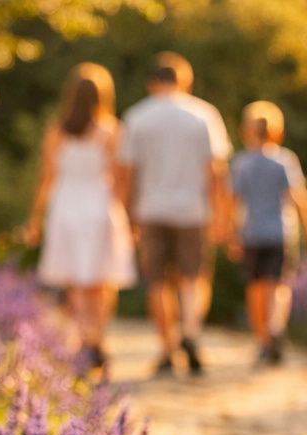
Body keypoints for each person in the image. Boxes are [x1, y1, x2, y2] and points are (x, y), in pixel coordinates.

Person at [117, 52, 231, 376]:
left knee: (157, 282)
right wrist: (222, 214)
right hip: (193, 210)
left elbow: (128, 174)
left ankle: (167, 347)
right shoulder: (204, 115)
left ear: (152, 82)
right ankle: (190, 332)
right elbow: (216, 171)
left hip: (150, 210)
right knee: (194, 277)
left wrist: (127, 216)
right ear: (186, 80)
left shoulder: (137, 117)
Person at [27, 63, 137, 379]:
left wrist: (35, 218)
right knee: (101, 282)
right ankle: (97, 338)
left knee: (77, 282)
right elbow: (120, 180)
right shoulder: (112, 130)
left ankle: (84, 339)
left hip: (66, 207)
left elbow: (46, 178)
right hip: (98, 206)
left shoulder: (58, 129)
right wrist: (123, 217)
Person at [229, 100, 307, 366]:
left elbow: (235, 203)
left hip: (252, 233)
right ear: (277, 131)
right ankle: (275, 326)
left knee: (256, 286)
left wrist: (233, 234)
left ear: (246, 130)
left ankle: (262, 340)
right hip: (280, 233)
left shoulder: (242, 163)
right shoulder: (285, 160)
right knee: (280, 285)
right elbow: (298, 198)